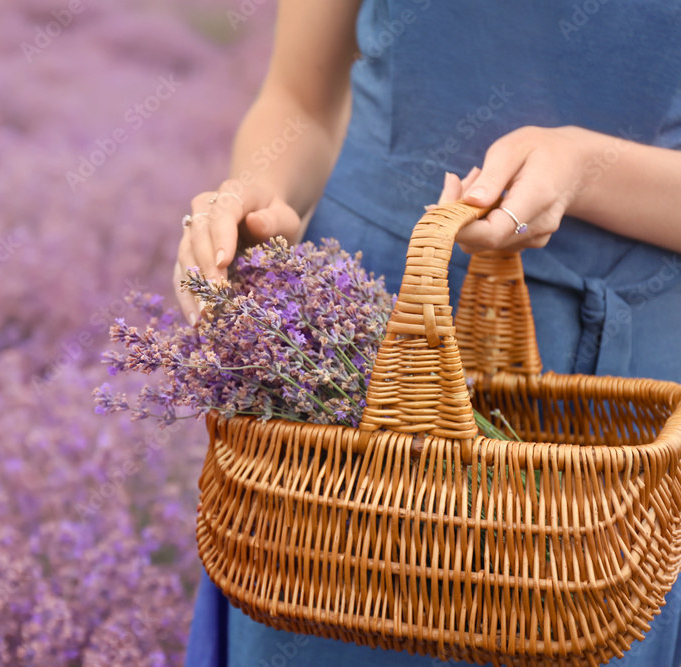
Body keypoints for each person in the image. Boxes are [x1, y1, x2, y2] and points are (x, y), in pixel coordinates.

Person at [175, 1, 681, 665]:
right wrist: (254, 204)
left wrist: (588, 167)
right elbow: (299, 98)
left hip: (622, 395)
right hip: (361, 360)